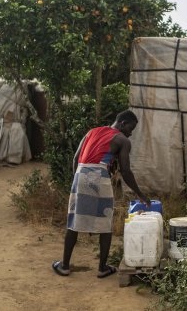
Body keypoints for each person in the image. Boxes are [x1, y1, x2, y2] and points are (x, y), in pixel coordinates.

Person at [52, 110, 150, 278]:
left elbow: (76, 158)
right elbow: (126, 171)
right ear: (122, 123)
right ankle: (102, 268)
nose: (131, 133)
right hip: (100, 177)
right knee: (105, 223)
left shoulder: (91, 132)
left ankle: (64, 266)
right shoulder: (122, 140)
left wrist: (78, 180)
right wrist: (140, 194)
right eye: (131, 128)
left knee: (74, 220)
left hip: (81, 174)